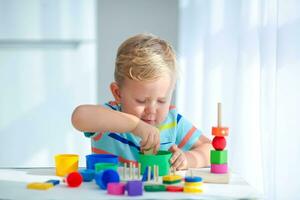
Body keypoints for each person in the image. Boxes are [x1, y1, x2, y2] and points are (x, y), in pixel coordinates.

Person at [71, 33, 210, 170]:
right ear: (118, 93)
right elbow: (79, 116)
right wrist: (135, 126)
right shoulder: (109, 116)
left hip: (156, 192)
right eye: (141, 100)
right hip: (109, 192)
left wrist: (187, 159)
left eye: (162, 100)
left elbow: (210, 149)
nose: (152, 110)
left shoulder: (172, 121)